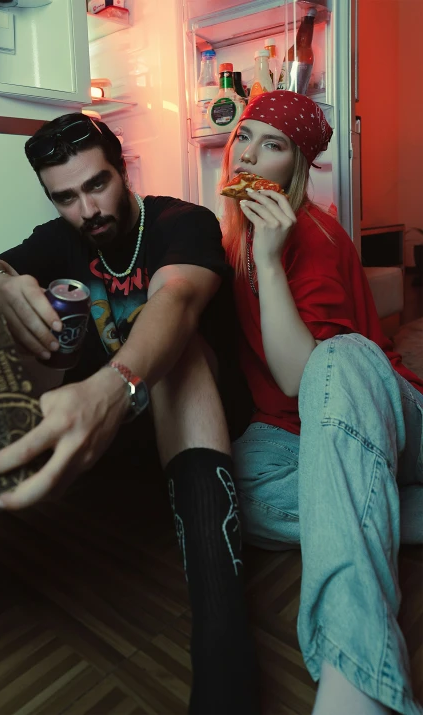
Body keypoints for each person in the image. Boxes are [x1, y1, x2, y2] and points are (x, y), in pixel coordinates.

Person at [0, 113, 259, 714]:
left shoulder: (182, 221)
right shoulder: (62, 237)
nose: (88, 209)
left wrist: (116, 385)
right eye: (66, 197)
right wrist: (0, 284)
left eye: (98, 184)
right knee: (6, 313)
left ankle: (224, 648)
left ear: (123, 169)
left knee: (174, 350)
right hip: (121, 434)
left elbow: (178, 301)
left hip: (200, 416)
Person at [218, 90, 423, 715]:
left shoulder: (309, 234)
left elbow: (301, 380)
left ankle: (358, 681)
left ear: (296, 167)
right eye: (244, 136)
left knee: (334, 358)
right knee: (224, 495)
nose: (249, 154)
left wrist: (273, 266)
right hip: (299, 436)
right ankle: (388, 509)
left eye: (272, 145)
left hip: (384, 412)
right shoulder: (234, 232)